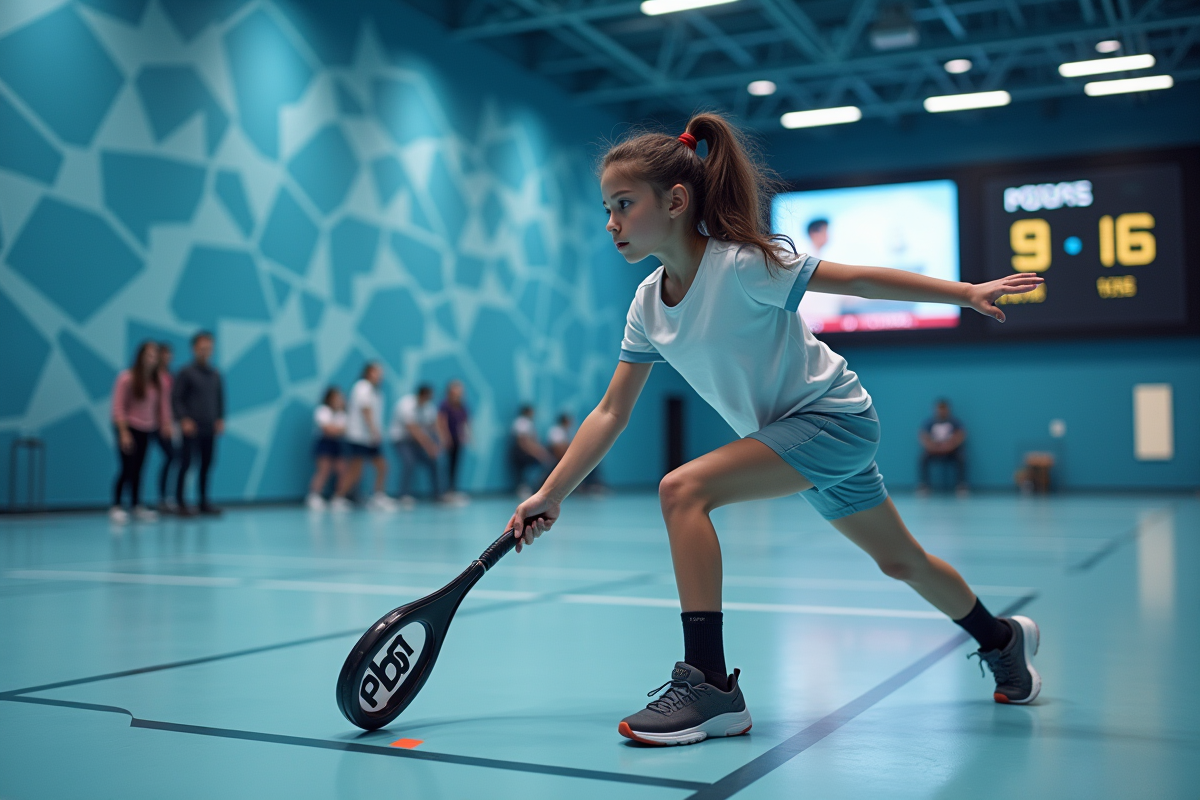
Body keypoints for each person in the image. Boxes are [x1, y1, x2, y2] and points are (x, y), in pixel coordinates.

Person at [507, 113, 1046, 746]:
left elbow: (859, 280)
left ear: (676, 201)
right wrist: (552, 494)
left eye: (624, 204)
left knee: (683, 489)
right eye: (607, 208)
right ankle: (1003, 640)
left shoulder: (742, 265)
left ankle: (710, 686)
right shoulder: (648, 304)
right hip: (793, 441)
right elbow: (611, 412)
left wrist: (966, 292)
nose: (611, 223)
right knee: (902, 561)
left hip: (834, 421)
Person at [110, 341, 171, 523]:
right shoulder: (126, 378)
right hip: (129, 427)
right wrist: (123, 432)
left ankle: (136, 505)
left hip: (148, 428)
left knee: (140, 469)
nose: (152, 359)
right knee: (127, 468)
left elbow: (163, 407)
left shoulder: (159, 381)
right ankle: (117, 505)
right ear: (140, 356)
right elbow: (118, 407)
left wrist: (166, 425)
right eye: (149, 355)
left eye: (155, 356)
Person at [173, 331, 224, 517]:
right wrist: (183, 419)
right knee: (186, 464)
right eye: (202, 348)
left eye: (209, 348)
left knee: (207, 465)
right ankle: (181, 502)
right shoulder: (185, 373)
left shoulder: (215, 374)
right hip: (190, 428)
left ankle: (203, 501)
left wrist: (220, 418)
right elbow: (176, 399)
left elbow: (219, 399)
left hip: (209, 427)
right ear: (194, 349)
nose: (206, 352)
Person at [333, 362, 396, 511]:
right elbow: (365, 410)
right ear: (368, 372)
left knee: (382, 466)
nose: (380, 375)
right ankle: (338, 498)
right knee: (356, 469)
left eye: (381, 372)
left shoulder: (375, 390)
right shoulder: (363, 387)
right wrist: (374, 430)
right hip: (359, 436)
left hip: (368, 437)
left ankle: (378, 496)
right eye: (376, 372)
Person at [390, 384, 442, 507]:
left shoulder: (428, 407)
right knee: (409, 462)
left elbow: (433, 426)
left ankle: (438, 494)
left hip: (418, 442)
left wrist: (439, 443)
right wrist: (429, 446)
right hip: (402, 440)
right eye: (429, 396)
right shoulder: (406, 404)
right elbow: (413, 430)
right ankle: (404, 495)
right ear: (422, 395)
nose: (430, 399)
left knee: (434, 462)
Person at [917, 399, 968, 497]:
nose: (942, 411)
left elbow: (961, 435)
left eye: (944, 409)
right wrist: (932, 446)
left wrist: (950, 445)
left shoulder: (954, 422)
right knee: (923, 458)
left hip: (951, 451)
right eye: (940, 409)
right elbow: (923, 436)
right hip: (934, 450)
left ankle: (961, 485)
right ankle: (924, 485)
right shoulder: (930, 422)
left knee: (961, 457)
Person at [307, 387, 347, 510]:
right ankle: (314, 496)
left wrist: (335, 430)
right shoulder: (322, 411)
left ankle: (338, 497)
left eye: (340, 397)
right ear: (329, 398)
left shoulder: (342, 413)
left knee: (341, 469)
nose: (339, 400)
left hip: (336, 444)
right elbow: (327, 430)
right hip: (324, 443)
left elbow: (342, 430)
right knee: (323, 470)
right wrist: (336, 430)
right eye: (336, 397)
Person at [437, 380, 471, 504]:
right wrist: (445, 437)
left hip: (458, 440)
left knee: (455, 466)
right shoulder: (445, 405)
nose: (460, 392)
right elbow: (441, 421)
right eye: (457, 389)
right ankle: (444, 492)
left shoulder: (462, 406)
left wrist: (467, 436)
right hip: (448, 441)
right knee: (445, 466)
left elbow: (465, 422)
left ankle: (452, 491)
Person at [154, 342, 178, 514]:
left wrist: (169, 422)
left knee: (173, 457)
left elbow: (170, 403)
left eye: (169, 354)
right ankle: (134, 503)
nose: (166, 357)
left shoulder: (171, 377)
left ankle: (166, 498)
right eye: (163, 354)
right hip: (150, 424)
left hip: (167, 424)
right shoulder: (150, 377)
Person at [509, 405, 553, 497]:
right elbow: (524, 443)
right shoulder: (522, 422)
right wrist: (538, 453)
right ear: (528, 412)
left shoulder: (527, 423)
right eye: (532, 411)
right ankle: (526, 486)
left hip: (524, 451)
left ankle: (533, 486)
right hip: (521, 452)